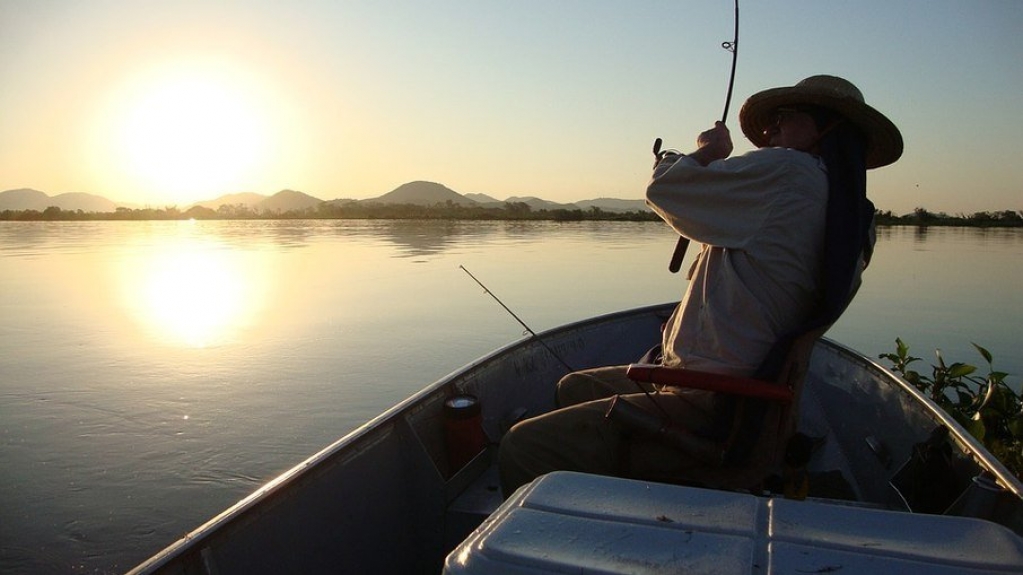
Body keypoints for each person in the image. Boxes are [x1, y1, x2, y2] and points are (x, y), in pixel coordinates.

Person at [498, 75, 903, 496]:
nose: (769, 131)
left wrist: (708, 152)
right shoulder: (854, 217)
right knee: (573, 387)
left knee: (521, 447)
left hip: (713, 404)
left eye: (785, 117)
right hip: (751, 404)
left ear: (827, 127)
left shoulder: (788, 172)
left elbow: (668, 190)